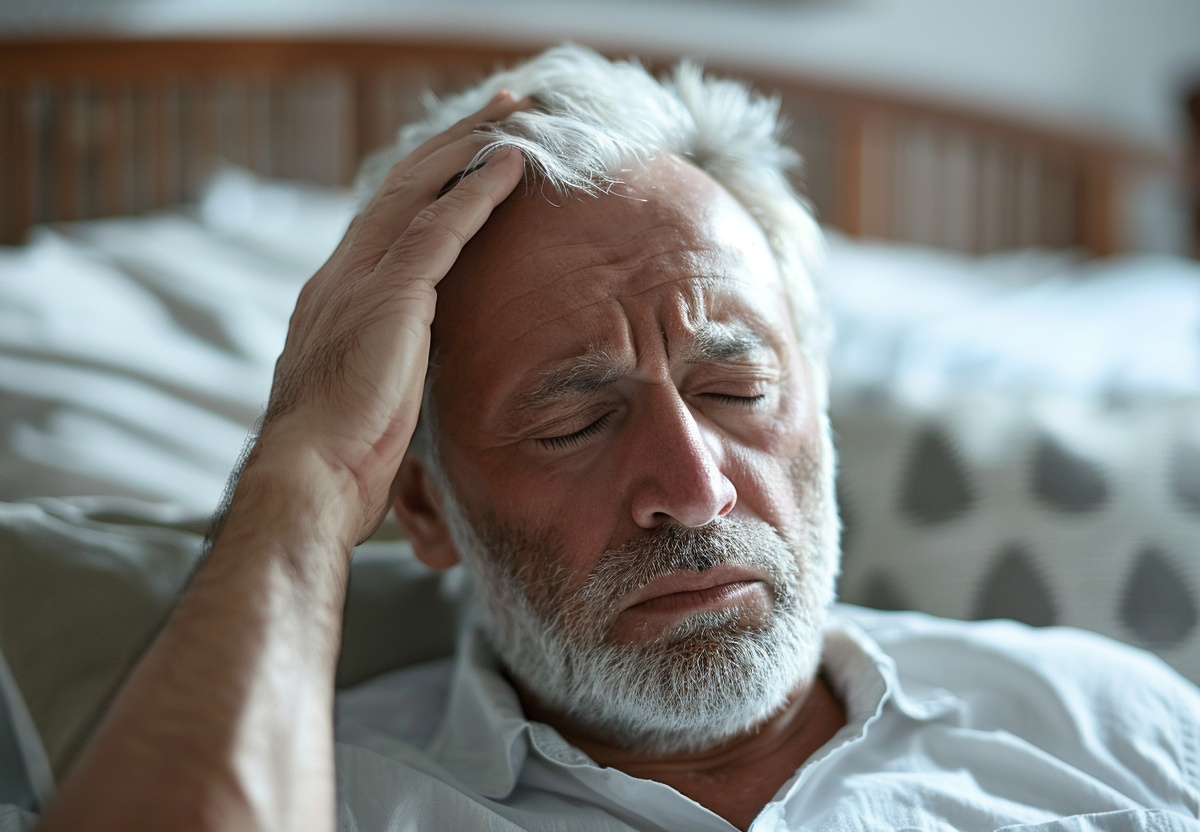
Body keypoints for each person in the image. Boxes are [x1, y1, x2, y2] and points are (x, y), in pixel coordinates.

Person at [24, 45, 1200, 832]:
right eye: (575, 419)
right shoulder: (319, 793)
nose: (693, 488)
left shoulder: (1110, 722)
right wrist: (307, 475)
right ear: (425, 505)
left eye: (735, 389)